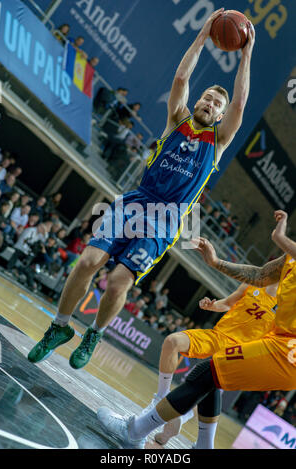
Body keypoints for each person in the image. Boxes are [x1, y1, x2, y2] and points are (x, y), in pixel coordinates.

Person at [28, 9, 255, 371]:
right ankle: (58, 327)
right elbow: (182, 76)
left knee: (118, 282)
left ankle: (94, 334)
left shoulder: (217, 141)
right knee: (88, 261)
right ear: (197, 102)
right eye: (207, 98)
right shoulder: (177, 119)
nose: (210, 104)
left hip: (166, 220)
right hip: (136, 201)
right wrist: (201, 37)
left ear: (219, 116)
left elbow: (240, 105)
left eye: (217, 105)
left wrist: (246, 54)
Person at [95, 209, 296, 448]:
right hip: (273, 341)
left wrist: (280, 232)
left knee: (204, 374)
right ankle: (201, 445)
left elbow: (278, 239)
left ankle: (135, 431)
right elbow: (260, 274)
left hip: (287, 349)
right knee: (211, 376)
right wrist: (215, 262)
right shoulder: (287, 262)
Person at [142, 281, 277, 447]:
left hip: (240, 352)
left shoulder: (287, 305)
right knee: (172, 341)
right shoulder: (255, 280)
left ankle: (182, 421)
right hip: (218, 336)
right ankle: (160, 399)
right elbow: (227, 303)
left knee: (208, 381)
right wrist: (212, 305)